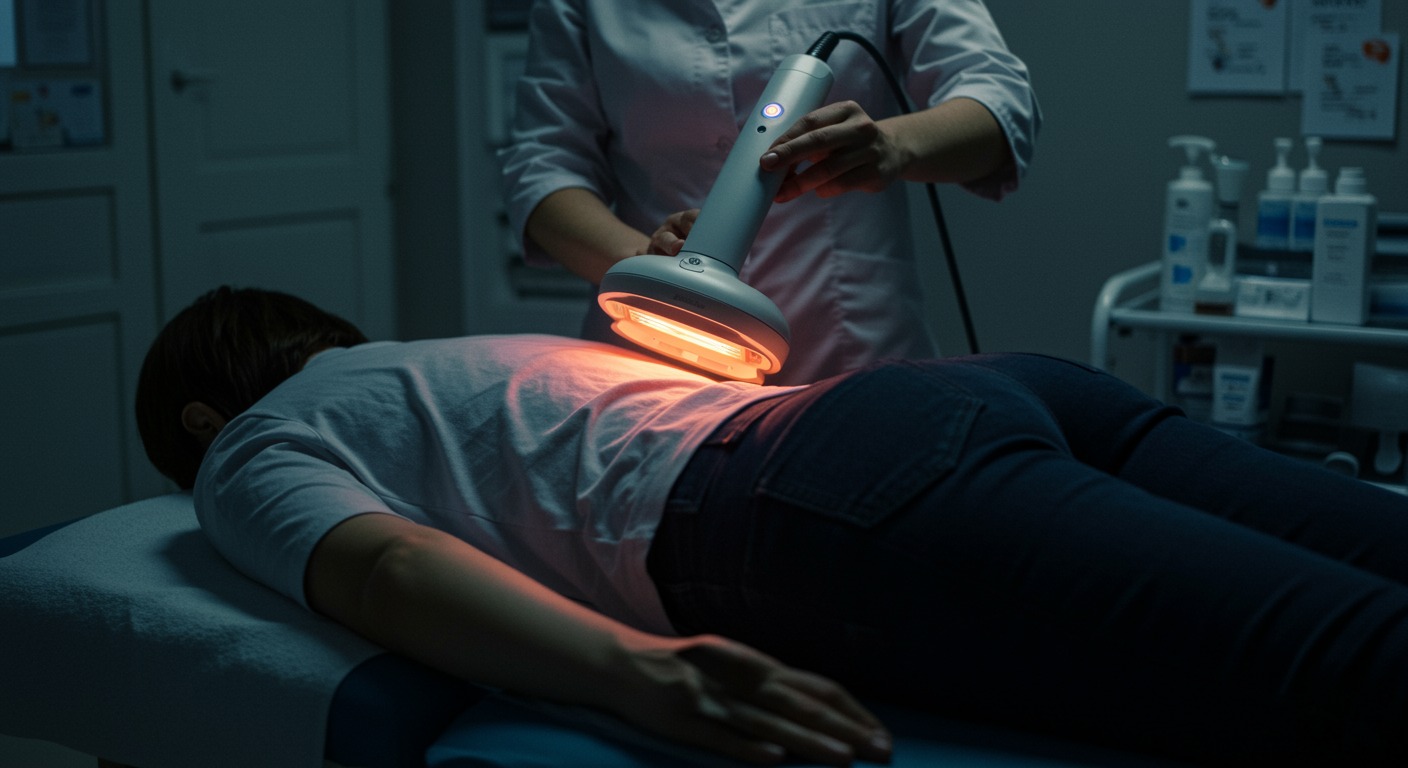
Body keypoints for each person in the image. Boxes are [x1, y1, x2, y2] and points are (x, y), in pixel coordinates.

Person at [137, 287, 1408, 767]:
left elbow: (388, 566)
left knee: (1351, 666)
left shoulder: (243, 449)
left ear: (200, 414)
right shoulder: (424, 362)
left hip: (816, 496)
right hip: (972, 388)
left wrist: (637, 677)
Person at [498, 0, 1041, 385]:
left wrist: (892, 145)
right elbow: (542, 167)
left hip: (849, 354)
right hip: (654, 350)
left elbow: (1001, 104)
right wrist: (648, 263)